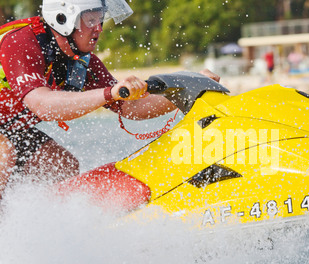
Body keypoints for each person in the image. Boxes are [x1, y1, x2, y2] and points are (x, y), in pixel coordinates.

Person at [0, 0, 219, 199]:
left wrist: (189, 86)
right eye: (90, 20)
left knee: (62, 166)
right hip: (4, 137)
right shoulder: (20, 42)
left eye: (100, 18)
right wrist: (109, 93)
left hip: (8, 128)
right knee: (4, 151)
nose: (99, 28)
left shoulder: (83, 63)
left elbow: (131, 107)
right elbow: (42, 105)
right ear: (62, 19)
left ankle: (24, 225)